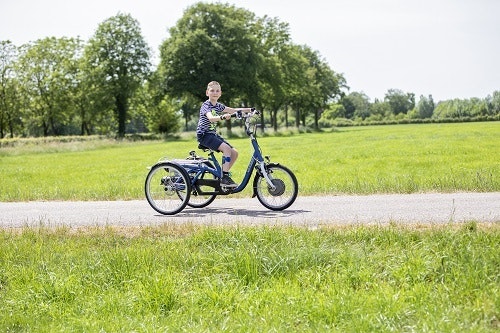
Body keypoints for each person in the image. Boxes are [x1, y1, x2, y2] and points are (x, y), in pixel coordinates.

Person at [196, 81, 253, 188]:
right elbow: (211, 118)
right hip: (204, 135)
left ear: (220, 93)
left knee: (234, 153)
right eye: (212, 90)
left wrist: (250, 110)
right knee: (226, 149)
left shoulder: (218, 106)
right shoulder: (206, 105)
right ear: (207, 92)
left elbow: (233, 110)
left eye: (217, 91)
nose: (215, 93)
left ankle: (223, 175)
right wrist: (222, 117)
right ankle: (225, 178)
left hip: (212, 135)